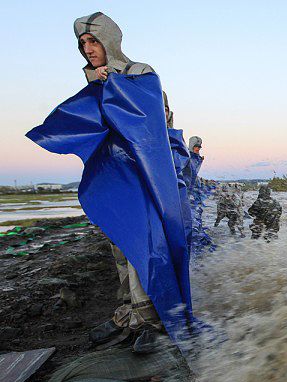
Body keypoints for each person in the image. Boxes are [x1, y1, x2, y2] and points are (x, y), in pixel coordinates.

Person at [74, 12, 163, 352]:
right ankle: (128, 313)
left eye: (93, 41)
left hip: (141, 177)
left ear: (109, 40)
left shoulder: (139, 71)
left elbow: (152, 117)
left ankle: (151, 321)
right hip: (113, 177)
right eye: (83, 43)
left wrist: (113, 84)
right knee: (120, 249)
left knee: (141, 247)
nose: (88, 48)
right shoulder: (93, 81)